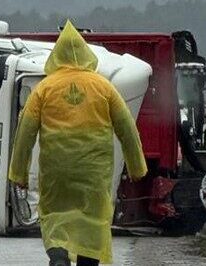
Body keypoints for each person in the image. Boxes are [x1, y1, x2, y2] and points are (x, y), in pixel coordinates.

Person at [8, 21, 147, 266]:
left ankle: (59, 255)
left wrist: (18, 172)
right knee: (93, 220)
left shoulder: (44, 88)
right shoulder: (104, 87)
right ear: (86, 55)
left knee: (54, 215)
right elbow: (127, 129)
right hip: (93, 173)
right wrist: (137, 167)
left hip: (56, 172)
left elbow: (25, 132)